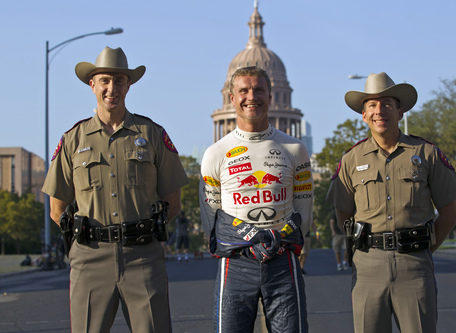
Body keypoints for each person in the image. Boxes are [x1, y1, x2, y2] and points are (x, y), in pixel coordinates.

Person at [41, 46, 188, 333]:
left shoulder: (152, 134)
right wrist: (86, 240)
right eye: (105, 81)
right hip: (91, 258)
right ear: (92, 84)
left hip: (143, 256)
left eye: (119, 80)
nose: (112, 88)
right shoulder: (73, 140)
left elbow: (173, 202)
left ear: (128, 85)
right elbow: (57, 209)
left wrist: (143, 230)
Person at [330, 72, 456, 333]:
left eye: (387, 104)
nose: (379, 111)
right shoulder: (350, 160)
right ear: (364, 114)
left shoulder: (426, 154)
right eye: (372, 105)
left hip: (414, 264)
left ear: (400, 111)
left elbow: (450, 213)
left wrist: (423, 247)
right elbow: (343, 213)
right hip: (369, 265)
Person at [199, 66, 313, 333]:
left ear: (271, 96)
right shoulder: (216, 153)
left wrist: (294, 246)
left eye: (259, 90)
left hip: (283, 259)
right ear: (231, 99)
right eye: (244, 90)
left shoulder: (295, 149)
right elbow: (211, 215)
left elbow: (303, 208)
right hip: (236, 263)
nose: (252, 97)